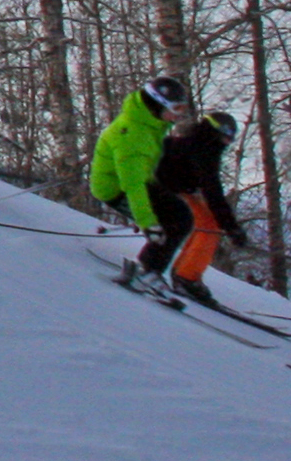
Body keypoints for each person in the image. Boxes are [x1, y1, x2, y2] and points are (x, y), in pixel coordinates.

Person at [137, 110, 247, 303]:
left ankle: (183, 273)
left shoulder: (190, 141)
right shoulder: (204, 151)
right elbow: (213, 193)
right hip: (164, 192)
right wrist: (231, 227)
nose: (226, 145)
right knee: (209, 225)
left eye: (230, 141)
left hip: (169, 190)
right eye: (225, 139)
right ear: (213, 133)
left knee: (206, 220)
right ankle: (185, 277)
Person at [88, 76, 187, 285]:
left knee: (180, 214)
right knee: (174, 221)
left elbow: (144, 171)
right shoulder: (133, 134)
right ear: (158, 104)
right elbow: (133, 185)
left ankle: (148, 267)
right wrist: (147, 222)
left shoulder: (149, 123)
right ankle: (146, 270)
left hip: (132, 181)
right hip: (114, 189)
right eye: (176, 108)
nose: (178, 115)